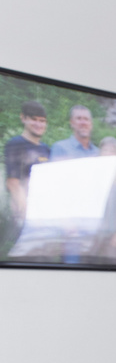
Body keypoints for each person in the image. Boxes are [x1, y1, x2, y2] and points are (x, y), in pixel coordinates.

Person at [2, 102, 50, 257]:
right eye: (34, 119)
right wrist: (29, 216)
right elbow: (13, 183)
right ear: (23, 118)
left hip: (44, 218)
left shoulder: (46, 149)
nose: (38, 124)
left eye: (42, 121)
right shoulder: (16, 144)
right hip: (23, 219)